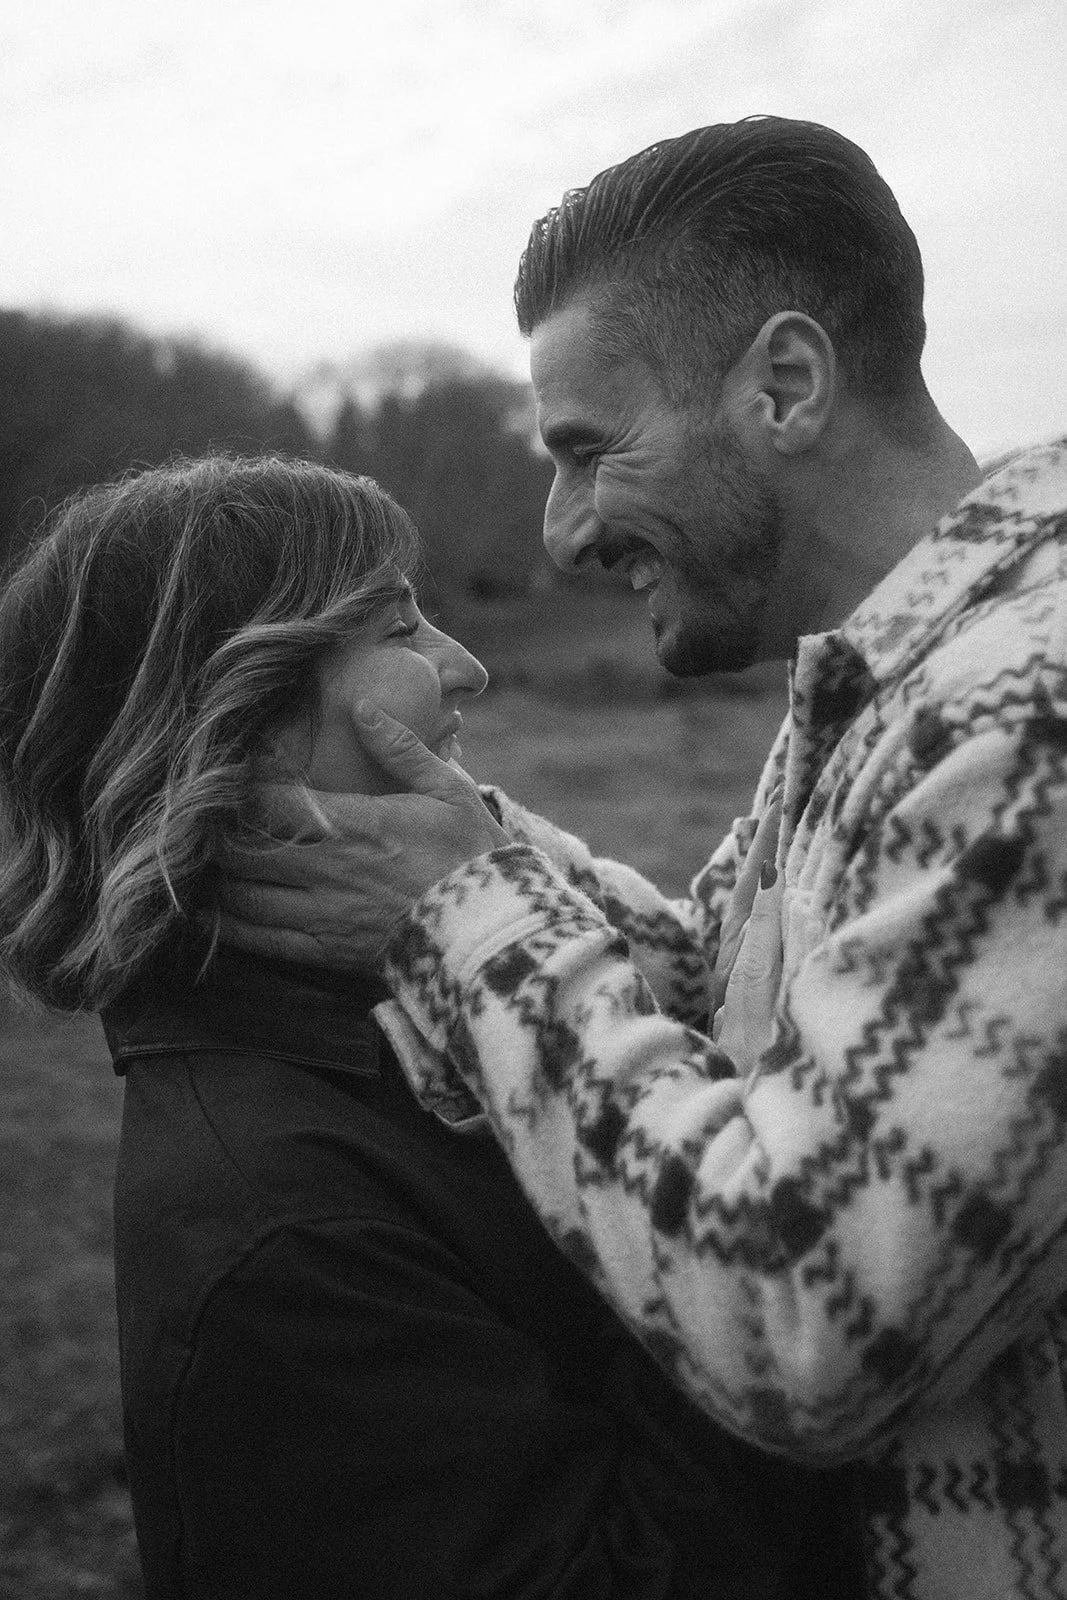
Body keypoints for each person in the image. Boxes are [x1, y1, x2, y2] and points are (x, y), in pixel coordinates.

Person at [216, 118, 1067, 1599]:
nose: (558, 533)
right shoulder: (895, 688)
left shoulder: (1028, 707)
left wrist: (464, 918)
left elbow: (805, 1315)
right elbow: (705, 989)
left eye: (586, 450)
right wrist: (465, 851)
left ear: (782, 388)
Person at [0, 453, 860, 1599]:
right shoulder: (278, 1225)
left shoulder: (396, 1035)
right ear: (236, 724)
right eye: (399, 628)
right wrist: (715, 1247)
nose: (469, 667)